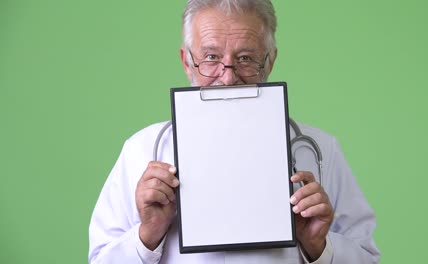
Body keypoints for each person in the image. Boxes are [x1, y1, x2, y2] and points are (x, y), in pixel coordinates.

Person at [88, 0, 380, 263]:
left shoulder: (318, 148)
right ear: (186, 61)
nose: (228, 79)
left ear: (270, 60)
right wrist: (147, 235)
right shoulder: (142, 150)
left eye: (245, 58)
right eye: (211, 57)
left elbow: (367, 258)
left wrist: (320, 246)